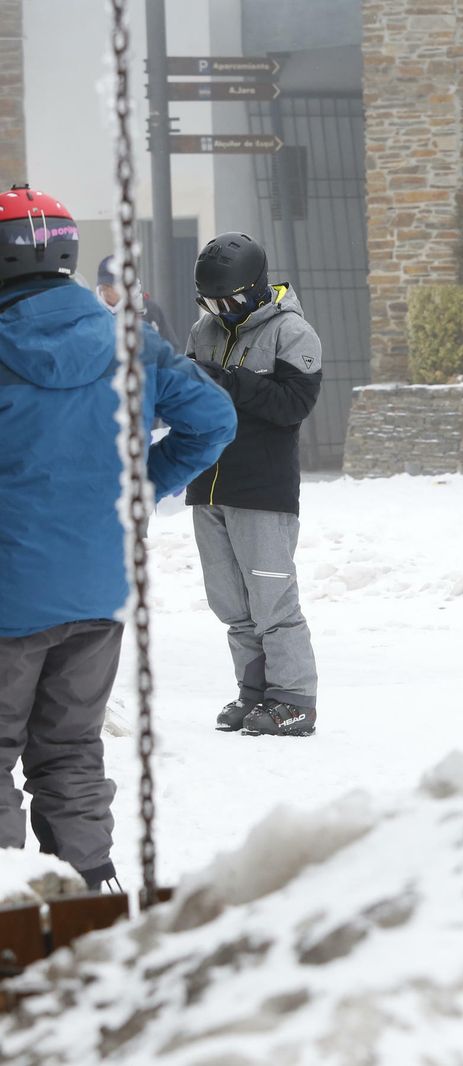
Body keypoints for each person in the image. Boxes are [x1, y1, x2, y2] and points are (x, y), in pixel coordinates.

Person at [0, 185, 236, 890]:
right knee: (71, 747)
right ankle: (89, 893)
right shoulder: (131, 340)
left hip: (9, 592)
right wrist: (137, 489)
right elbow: (213, 420)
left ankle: (9, 911)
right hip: (97, 588)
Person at [185, 232, 323, 738]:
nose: (218, 311)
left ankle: (294, 698)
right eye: (209, 302)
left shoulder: (292, 332)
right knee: (230, 602)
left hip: (262, 489)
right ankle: (255, 692)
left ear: (255, 288)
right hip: (209, 485)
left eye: (228, 301)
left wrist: (224, 381)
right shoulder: (203, 330)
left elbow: (292, 406)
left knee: (271, 599)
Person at [95, 254, 178, 348]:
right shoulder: (94, 315)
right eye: (105, 287)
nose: (108, 292)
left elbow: (171, 348)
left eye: (113, 287)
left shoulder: (150, 310)